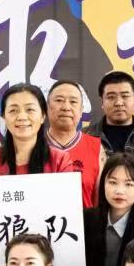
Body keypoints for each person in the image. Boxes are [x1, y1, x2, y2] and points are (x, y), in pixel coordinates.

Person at [0, 84, 75, 179]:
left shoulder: (60, 161)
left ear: (43, 116)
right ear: (4, 117)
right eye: (13, 110)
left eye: (30, 109)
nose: (22, 117)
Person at [47, 79, 105, 207]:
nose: (66, 107)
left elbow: (99, 202)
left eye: (73, 102)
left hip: (85, 219)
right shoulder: (32, 145)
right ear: (47, 107)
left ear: (81, 110)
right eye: (59, 100)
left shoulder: (95, 147)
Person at [85, 71, 134, 159]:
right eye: (111, 97)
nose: (119, 103)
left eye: (125, 96)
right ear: (102, 102)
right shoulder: (85, 136)